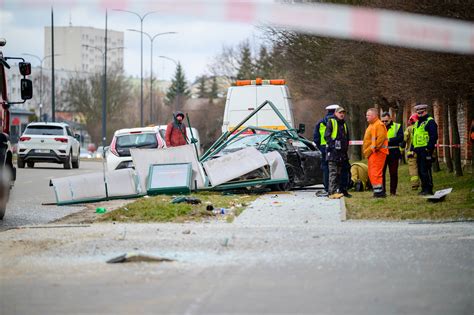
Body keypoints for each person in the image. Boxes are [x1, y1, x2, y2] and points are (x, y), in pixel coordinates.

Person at [411, 104, 438, 195]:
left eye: (421, 112)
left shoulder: (430, 121)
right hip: (418, 150)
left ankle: (428, 189)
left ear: (426, 111)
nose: (420, 114)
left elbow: (433, 136)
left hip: (426, 150)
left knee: (425, 170)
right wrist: (412, 149)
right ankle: (424, 188)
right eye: (418, 113)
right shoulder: (417, 123)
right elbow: (414, 137)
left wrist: (429, 148)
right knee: (420, 171)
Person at [313, 104, 340, 196]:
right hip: (335, 147)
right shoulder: (337, 121)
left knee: (325, 167)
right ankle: (336, 187)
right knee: (336, 167)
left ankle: (326, 187)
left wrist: (320, 147)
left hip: (324, 147)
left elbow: (316, 138)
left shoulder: (320, 122)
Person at [324, 107, 350, 199]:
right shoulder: (331, 122)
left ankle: (338, 190)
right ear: (336, 113)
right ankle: (332, 192)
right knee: (333, 173)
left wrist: (345, 149)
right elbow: (327, 136)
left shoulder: (344, 124)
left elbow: (347, 138)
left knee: (340, 173)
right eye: (340, 113)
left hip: (342, 153)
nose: (342, 114)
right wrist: (333, 146)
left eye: (343, 112)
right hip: (333, 153)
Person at [363, 108, 388, 198]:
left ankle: (379, 193)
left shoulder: (379, 125)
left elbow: (380, 139)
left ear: (374, 115)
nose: (366, 117)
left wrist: (372, 149)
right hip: (372, 152)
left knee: (376, 172)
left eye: (368, 115)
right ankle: (377, 191)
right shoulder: (372, 125)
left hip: (378, 152)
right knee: (372, 172)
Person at [381, 112, 404, 196]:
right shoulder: (379, 126)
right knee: (381, 173)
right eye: (382, 121)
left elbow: (400, 138)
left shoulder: (397, 126)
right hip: (382, 153)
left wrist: (389, 140)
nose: (384, 123)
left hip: (393, 152)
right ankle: (382, 191)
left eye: (386, 121)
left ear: (390, 119)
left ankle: (393, 192)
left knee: (393, 173)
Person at [404, 114, 420, 190]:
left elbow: (404, 138)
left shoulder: (408, 129)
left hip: (411, 152)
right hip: (420, 151)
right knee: (422, 168)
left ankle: (415, 185)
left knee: (413, 169)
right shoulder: (420, 128)